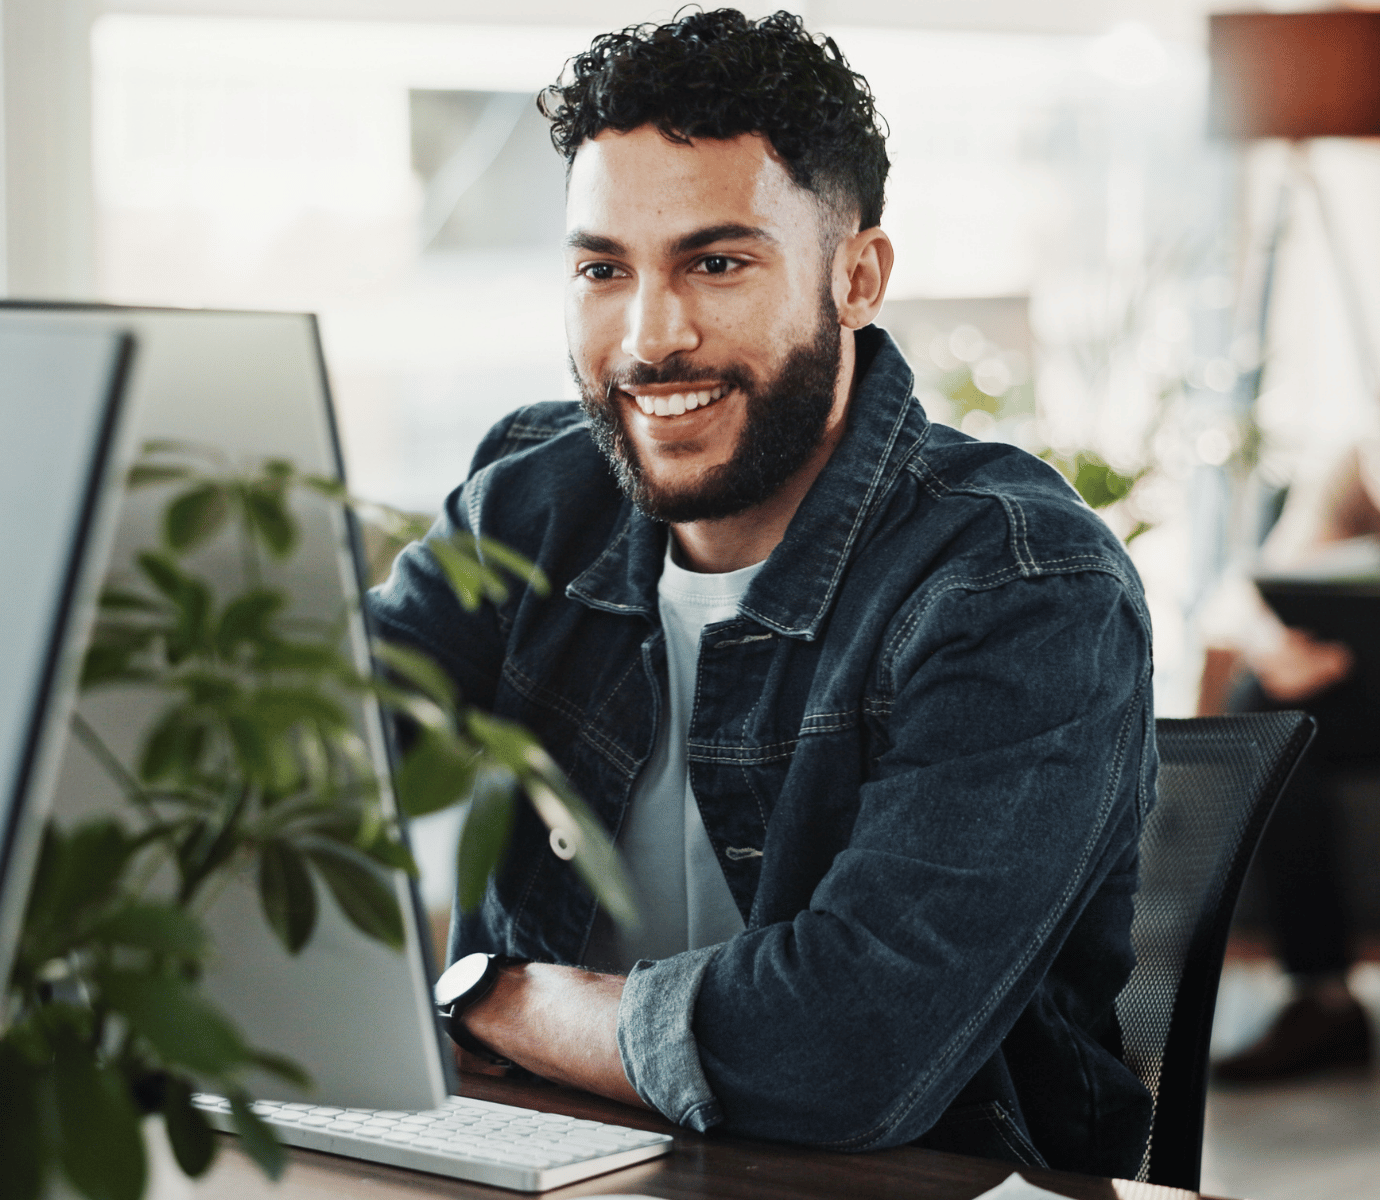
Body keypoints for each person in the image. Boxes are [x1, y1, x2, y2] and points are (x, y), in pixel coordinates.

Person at [368, 9, 1156, 1177]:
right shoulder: (528, 507)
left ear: (858, 277)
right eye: (602, 269)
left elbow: (848, 1050)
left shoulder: (1021, 586)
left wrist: (494, 997)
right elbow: (298, 768)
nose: (649, 338)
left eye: (717, 262)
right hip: (557, 1159)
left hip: (916, 1183)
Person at [1205, 441, 1380, 1082]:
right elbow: (1242, 598)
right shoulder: (1352, 467)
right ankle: (1322, 1001)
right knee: (1264, 705)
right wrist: (1272, 646)